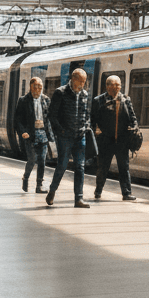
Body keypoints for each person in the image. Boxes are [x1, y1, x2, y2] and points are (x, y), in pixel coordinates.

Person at [45, 68, 90, 208]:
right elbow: (52, 115)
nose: (82, 84)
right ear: (73, 79)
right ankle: (52, 191)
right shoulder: (60, 92)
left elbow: (86, 114)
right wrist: (61, 131)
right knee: (62, 165)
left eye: (84, 82)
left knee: (80, 167)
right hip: (65, 136)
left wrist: (86, 126)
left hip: (80, 136)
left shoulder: (84, 94)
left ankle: (79, 198)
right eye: (80, 81)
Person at [91, 75, 138, 201]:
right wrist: (95, 131)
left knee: (124, 168)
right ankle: (98, 191)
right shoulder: (98, 100)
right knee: (103, 167)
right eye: (113, 85)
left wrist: (134, 128)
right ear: (107, 86)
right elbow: (92, 119)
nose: (117, 87)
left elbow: (133, 118)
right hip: (105, 140)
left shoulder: (126, 99)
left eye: (118, 85)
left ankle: (126, 193)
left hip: (122, 140)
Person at [14, 77, 54, 193]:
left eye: (40, 87)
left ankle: (39, 185)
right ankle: (26, 177)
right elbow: (18, 120)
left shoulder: (46, 100)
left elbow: (50, 117)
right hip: (30, 134)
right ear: (30, 87)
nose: (37, 89)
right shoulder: (23, 100)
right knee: (32, 159)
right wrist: (23, 132)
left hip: (43, 133)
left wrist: (51, 131)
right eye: (35, 87)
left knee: (42, 160)